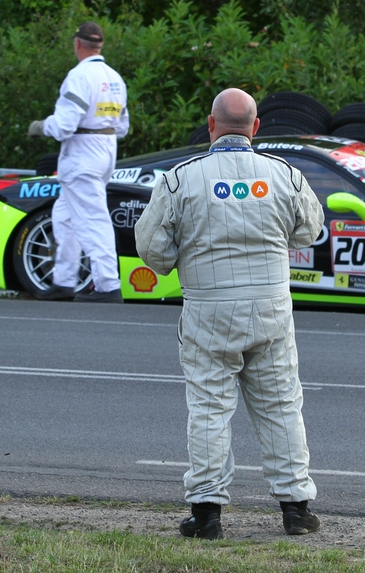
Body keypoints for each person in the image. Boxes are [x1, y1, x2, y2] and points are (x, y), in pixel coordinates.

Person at [134, 88, 325, 540]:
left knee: (209, 408)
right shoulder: (284, 174)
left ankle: (206, 515)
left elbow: (151, 248)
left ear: (211, 124)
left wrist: (179, 259)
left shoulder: (180, 178)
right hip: (272, 308)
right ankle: (296, 509)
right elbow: (309, 230)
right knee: (281, 405)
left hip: (208, 308)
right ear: (256, 127)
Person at [28, 22, 129, 302]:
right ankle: (63, 281)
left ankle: (108, 286)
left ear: (77, 44)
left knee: (93, 220)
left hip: (82, 154)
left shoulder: (79, 77)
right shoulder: (115, 79)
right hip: (106, 150)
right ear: (100, 45)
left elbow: (63, 126)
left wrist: (40, 126)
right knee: (65, 217)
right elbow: (123, 126)